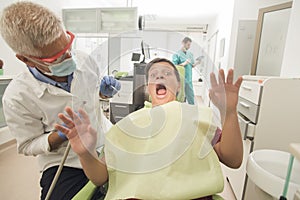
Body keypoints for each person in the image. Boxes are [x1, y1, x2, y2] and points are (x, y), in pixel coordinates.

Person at [56, 57, 243, 199]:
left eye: (167, 73)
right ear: (148, 87)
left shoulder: (195, 115)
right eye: (154, 75)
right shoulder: (128, 124)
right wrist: (85, 153)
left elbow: (233, 160)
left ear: (178, 86)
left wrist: (230, 112)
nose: (160, 75)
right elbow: (100, 177)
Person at [0, 2, 120, 200]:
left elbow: (91, 96)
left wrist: (104, 94)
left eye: (68, 46)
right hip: (67, 162)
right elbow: (27, 145)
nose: (68, 57)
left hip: (105, 143)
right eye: (56, 58)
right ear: (26, 60)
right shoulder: (17, 97)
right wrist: (60, 135)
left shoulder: (84, 60)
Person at [172, 37, 200, 105]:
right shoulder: (176, 54)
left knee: (190, 95)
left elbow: (191, 65)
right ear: (183, 43)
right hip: (180, 79)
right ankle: (176, 109)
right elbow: (174, 66)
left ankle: (192, 109)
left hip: (188, 79)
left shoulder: (190, 54)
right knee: (179, 96)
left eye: (190, 45)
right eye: (188, 45)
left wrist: (197, 63)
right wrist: (184, 63)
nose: (189, 47)